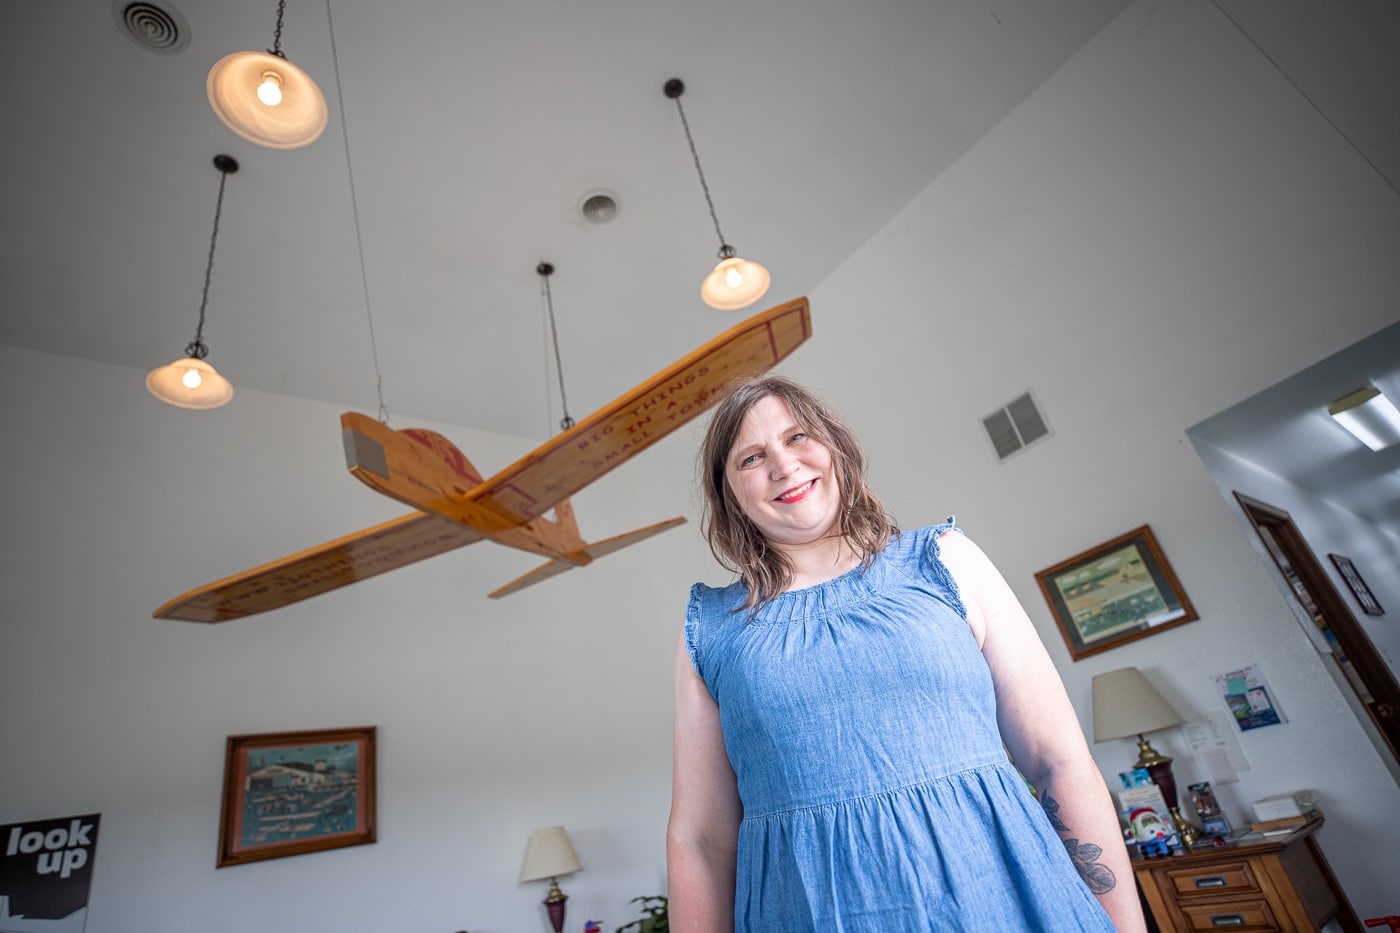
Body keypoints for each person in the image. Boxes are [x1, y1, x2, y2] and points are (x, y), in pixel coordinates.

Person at [666, 376, 1147, 932]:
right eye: (751, 457)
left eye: (798, 437)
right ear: (729, 494)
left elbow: (1059, 761)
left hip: (1005, 904)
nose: (783, 465)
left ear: (835, 448)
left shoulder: (947, 559)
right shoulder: (709, 628)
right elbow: (700, 840)